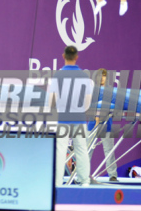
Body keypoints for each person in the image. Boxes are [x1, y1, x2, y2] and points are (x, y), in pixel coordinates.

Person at [55, 46, 91, 187]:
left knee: (60, 150)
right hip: (79, 118)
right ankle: (85, 182)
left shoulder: (58, 75)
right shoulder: (83, 76)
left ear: (63, 56)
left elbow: (53, 99)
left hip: (63, 118)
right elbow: (87, 102)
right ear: (76, 57)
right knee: (81, 149)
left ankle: (57, 183)